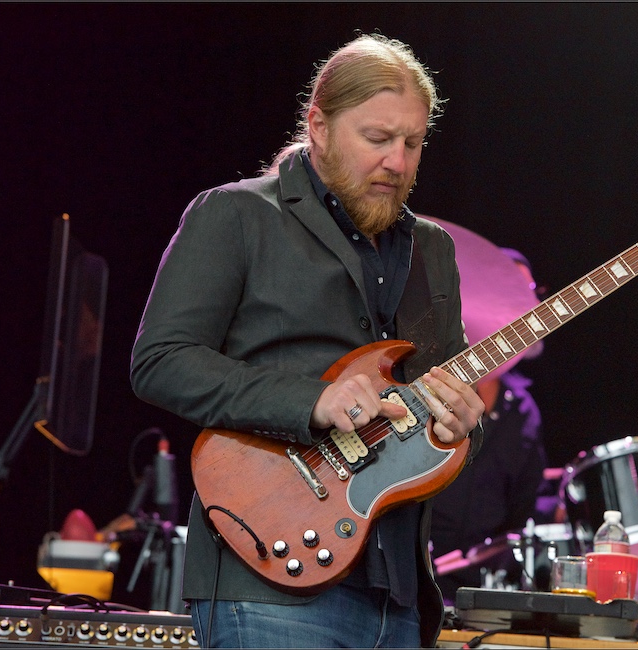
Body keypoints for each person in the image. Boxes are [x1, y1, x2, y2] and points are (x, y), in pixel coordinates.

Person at [130, 34, 486, 649]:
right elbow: (160, 362)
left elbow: (438, 407)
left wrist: (463, 425)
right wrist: (310, 402)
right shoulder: (235, 215)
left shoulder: (434, 250)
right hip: (266, 585)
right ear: (318, 126)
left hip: (398, 596)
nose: (398, 163)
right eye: (377, 139)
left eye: (413, 143)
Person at [429, 249, 550, 604]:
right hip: (413, 575)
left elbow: (521, 511)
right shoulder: (430, 384)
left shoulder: (524, 412)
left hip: (480, 589)